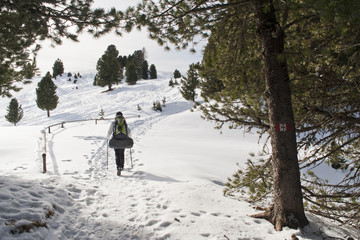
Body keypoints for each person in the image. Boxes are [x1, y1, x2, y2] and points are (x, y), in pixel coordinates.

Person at [107, 111, 130, 176]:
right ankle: (122, 166)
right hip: (123, 140)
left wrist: (107, 138)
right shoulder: (124, 123)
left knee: (117, 154)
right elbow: (128, 131)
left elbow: (110, 131)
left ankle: (118, 167)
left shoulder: (114, 123)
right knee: (122, 153)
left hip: (116, 140)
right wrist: (129, 138)